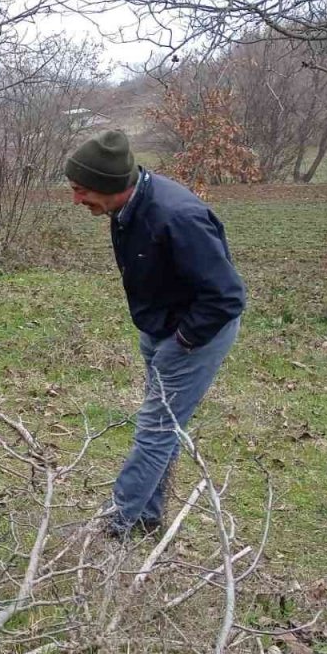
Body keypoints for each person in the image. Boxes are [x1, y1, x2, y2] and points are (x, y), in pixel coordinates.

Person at [64, 130, 245, 539]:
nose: (76, 200)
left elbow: (227, 296)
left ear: (110, 186)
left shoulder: (177, 217)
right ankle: (146, 518)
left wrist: (182, 341)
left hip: (196, 333)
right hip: (160, 326)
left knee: (156, 430)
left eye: (81, 190)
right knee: (163, 428)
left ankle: (115, 526)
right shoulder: (127, 208)